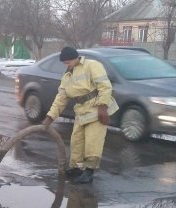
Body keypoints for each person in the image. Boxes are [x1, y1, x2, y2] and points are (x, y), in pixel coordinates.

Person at [42, 46, 119, 184]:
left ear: (76, 58)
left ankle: (89, 173)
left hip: (96, 110)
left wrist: (103, 107)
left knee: (92, 143)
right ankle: (78, 169)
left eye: (68, 62)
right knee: (77, 142)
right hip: (81, 112)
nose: (67, 65)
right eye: (65, 63)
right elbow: (61, 99)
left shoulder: (92, 66)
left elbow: (105, 86)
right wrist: (50, 118)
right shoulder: (67, 77)